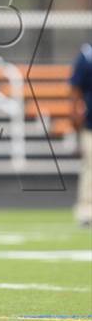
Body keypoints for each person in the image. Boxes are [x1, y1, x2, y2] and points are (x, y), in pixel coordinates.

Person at [70, 42, 92, 227]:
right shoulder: (87, 55)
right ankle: (86, 210)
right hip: (91, 123)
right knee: (90, 167)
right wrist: (75, 112)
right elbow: (75, 87)